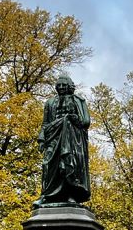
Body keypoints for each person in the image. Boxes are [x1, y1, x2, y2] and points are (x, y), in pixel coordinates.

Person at [34, 74, 91, 206]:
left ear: (69, 86)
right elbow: (45, 123)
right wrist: (41, 138)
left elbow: (86, 121)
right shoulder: (50, 103)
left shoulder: (78, 100)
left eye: (63, 85)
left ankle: (72, 195)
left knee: (69, 164)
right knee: (47, 165)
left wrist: (73, 118)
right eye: (58, 85)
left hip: (72, 138)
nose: (60, 87)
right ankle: (46, 196)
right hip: (53, 137)